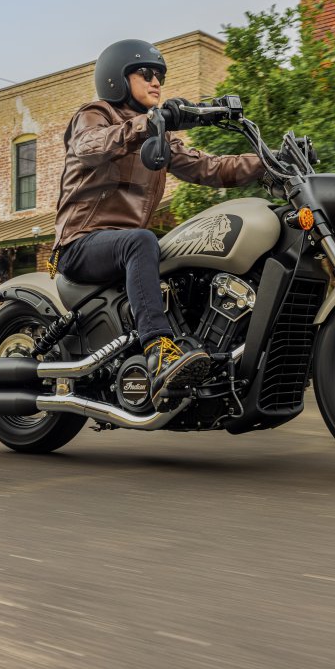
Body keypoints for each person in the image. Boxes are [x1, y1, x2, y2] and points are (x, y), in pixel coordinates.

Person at [51, 39, 265, 403]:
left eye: (160, 77)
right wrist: (149, 123)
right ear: (117, 80)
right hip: (81, 242)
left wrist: (268, 159)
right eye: (146, 74)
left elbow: (209, 167)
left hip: (122, 247)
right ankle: (159, 350)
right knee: (142, 240)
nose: (156, 82)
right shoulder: (94, 114)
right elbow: (91, 145)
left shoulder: (157, 133)